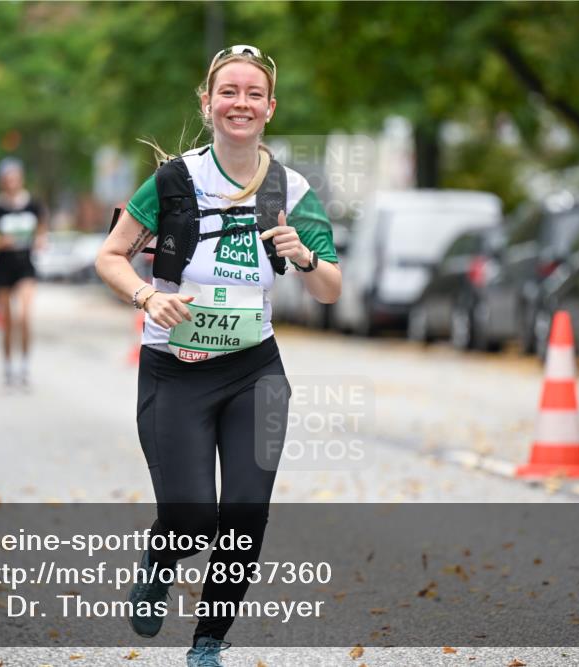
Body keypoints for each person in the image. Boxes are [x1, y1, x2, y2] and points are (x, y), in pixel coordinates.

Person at [95, 45, 341, 666]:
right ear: (207, 104)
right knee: (192, 516)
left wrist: (304, 255)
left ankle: (208, 643)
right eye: (228, 92)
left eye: (253, 94)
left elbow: (331, 287)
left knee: (245, 513)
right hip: (174, 371)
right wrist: (148, 296)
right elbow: (109, 256)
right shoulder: (175, 181)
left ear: (270, 108)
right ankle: (161, 555)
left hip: (254, 370)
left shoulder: (293, 188)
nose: (241, 103)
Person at [0, 158, 45, 388]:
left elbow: (41, 231)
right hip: (2, 267)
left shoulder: (33, 205)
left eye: (15, 177)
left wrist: (40, 240)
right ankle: (8, 367)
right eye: (7, 178)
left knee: (24, 316)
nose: (11, 181)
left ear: (21, 178)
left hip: (25, 266)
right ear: (2, 181)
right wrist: (2, 241)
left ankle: (25, 366)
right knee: (8, 321)